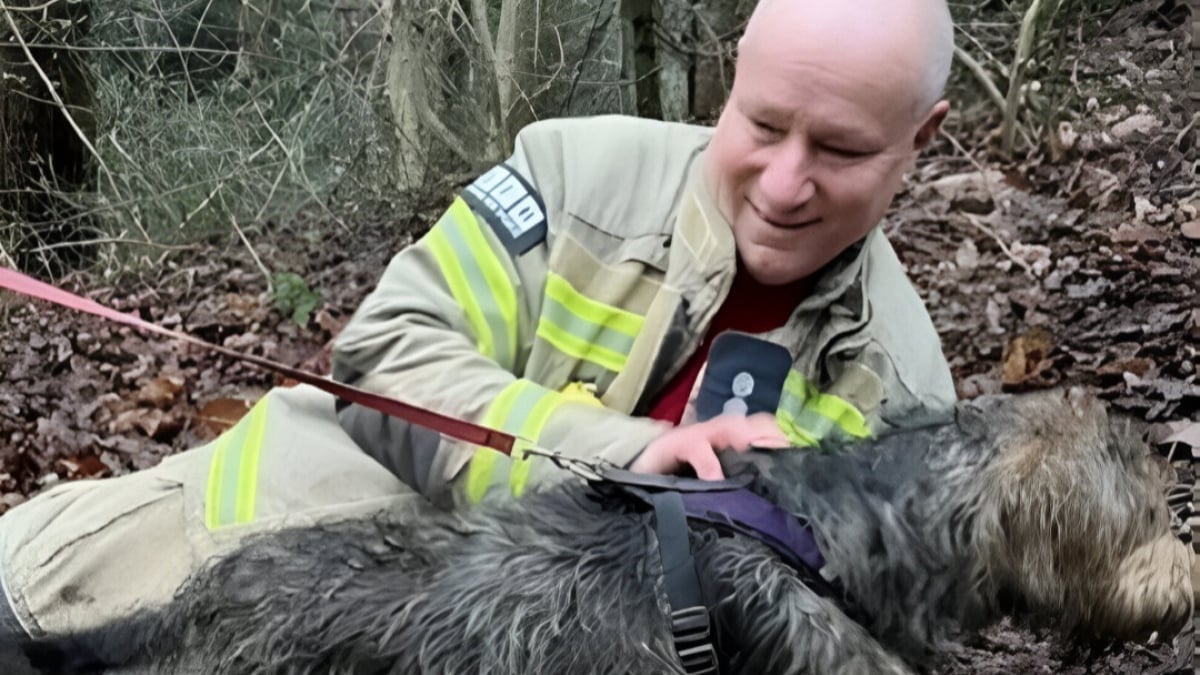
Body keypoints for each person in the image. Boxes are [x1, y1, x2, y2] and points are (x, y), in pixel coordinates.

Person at [0, 0, 957, 646]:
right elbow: (385, 355)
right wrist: (625, 455)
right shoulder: (574, 173)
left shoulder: (906, 398)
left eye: (839, 149)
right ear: (728, 88)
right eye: (763, 125)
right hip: (153, 568)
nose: (786, 184)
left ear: (924, 139)